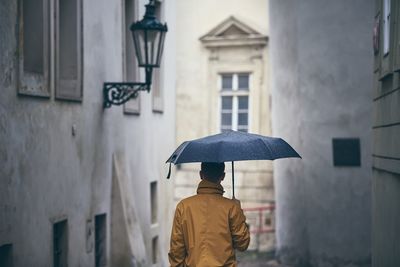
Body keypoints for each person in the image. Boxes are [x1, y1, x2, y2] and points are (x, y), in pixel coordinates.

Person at [168, 162, 250, 267]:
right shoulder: (231, 207)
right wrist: (239, 212)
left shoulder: (183, 206)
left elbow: (176, 250)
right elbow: (243, 244)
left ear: (201, 174)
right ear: (223, 176)